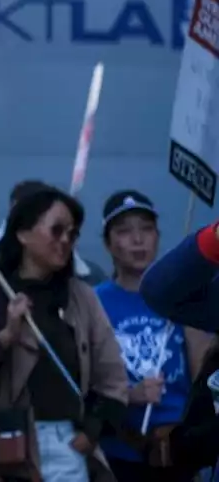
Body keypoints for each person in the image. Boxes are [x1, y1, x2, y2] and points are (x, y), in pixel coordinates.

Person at [0, 182, 127, 482]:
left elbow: (113, 377)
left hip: (66, 444)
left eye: (72, 234)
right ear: (23, 233)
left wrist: (91, 432)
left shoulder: (82, 296)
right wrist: (4, 337)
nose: (65, 240)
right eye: (56, 230)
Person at [94, 190, 209, 481]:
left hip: (177, 449)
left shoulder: (183, 297)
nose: (137, 240)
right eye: (124, 231)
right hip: (119, 450)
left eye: (146, 229)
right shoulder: (94, 302)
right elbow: (83, 380)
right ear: (108, 243)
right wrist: (129, 395)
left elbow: (201, 372)